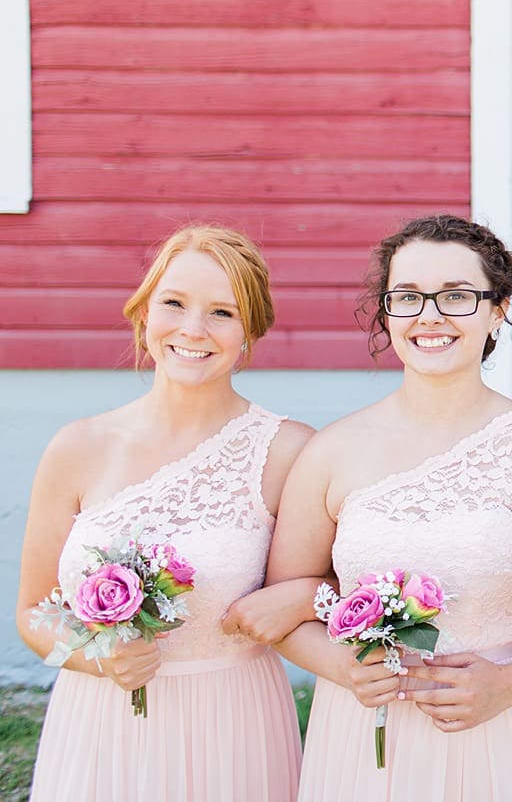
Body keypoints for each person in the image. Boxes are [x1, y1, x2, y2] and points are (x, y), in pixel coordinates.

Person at [265, 214, 512, 802]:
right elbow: (284, 609)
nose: (430, 315)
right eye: (408, 297)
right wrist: (343, 667)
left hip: (497, 732)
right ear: (387, 311)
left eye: (456, 296)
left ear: (497, 309)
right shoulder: (332, 452)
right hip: (362, 733)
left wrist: (511, 683)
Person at [17, 225, 314, 802]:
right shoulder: (77, 446)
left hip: (232, 726)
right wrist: (97, 659)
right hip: (100, 725)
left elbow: (328, 582)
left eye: (222, 312)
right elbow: (33, 611)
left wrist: (301, 597)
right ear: (143, 312)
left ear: (250, 331)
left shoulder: (287, 451)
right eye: (174, 303)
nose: (193, 330)